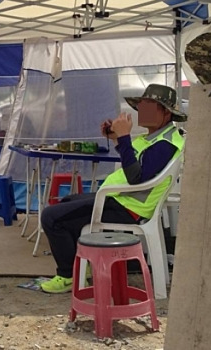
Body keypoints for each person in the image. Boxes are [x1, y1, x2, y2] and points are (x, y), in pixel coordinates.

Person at [39, 84, 187, 294]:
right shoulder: (154, 138)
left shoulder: (167, 143)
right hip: (119, 200)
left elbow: (136, 179)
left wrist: (125, 138)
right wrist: (118, 139)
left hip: (127, 208)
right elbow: (134, 165)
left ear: (166, 112)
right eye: (142, 106)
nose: (142, 112)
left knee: (51, 217)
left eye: (150, 106)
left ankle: (67, 276)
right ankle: (82, 266)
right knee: (67, 202)